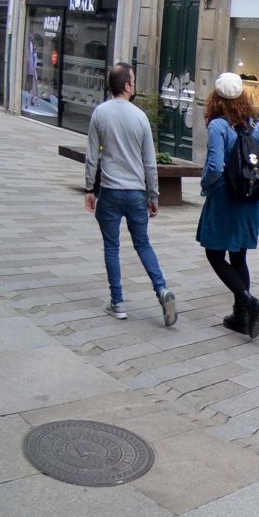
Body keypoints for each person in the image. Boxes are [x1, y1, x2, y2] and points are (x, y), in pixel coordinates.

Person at [85, 63, 177, 326]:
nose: (134, 85)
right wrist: (154, 195)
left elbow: (93, 156)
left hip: (110, 192)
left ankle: (118, 302)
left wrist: (90, 188)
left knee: (111, 247)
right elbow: (149, 162)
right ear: (126, 85)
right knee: (143, 243)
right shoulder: (140, 117)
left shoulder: (100, 113)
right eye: (133, 81)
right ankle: (161, 289)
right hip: (136, 192)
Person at [196, 72, 259, 339]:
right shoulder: (253, 124)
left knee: (214, 253)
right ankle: (241, 316)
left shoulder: (218, 126)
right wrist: (256, 181)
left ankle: (248, 302)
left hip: (224, 198)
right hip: (249, 199)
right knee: (239, 254)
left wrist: (207, 186)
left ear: (216, 98)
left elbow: (213, 166)